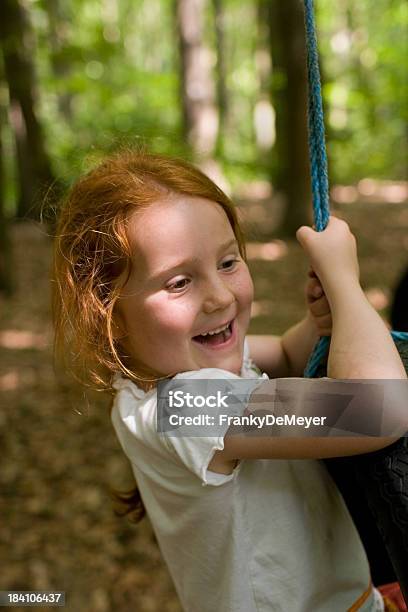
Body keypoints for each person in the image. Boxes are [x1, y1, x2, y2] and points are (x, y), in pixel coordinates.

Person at [52, 149, 407, 612]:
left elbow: (282, 355)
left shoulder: (162, 379)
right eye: (179, 282)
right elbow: (379, 411)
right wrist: (345, 282)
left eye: (228, 263)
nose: (219, 298)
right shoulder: (185, 406)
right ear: (107, 311)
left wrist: (319, 322)